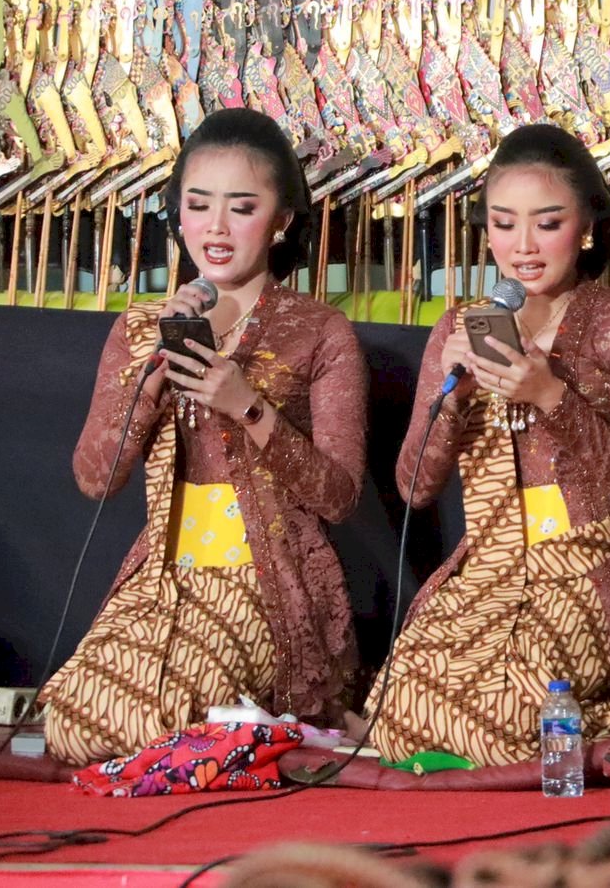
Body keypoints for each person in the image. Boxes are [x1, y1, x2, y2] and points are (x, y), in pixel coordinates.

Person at [367, 124, 610, 766]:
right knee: (397, 715)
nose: (523, 246)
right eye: (503, 224)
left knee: (519, 719)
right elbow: (414, 487)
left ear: (586, 228)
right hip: (487, 569)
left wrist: (552, 395)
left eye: (546, 224)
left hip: (585, 566)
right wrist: (456, 396)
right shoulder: (459, 328)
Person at [42, 108, 368, 765]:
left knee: (166, 714)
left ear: (280, 222)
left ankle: (269, 716)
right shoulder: (142, 327)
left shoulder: (317, 330)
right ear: (178, 214)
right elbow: (94, 478)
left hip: (265, 579)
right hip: (164, 577)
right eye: (198, 205)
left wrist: (249, 408)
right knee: (71, 721)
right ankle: (255, 728)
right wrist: (152, 380)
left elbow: (339, 496)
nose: (216, 228)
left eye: (241, 207)